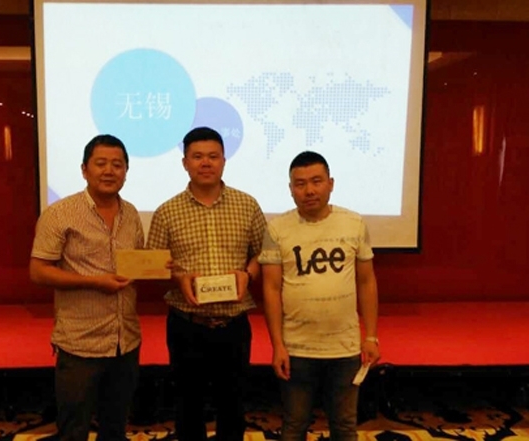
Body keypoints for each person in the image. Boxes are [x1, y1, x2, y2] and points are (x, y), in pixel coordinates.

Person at [146, 126, 266, 441]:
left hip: (233, 325)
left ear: (224, 160)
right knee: (188, 408)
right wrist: (178, 278)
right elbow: (155, 267)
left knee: (233, 406)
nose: (206, 163)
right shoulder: (166, 212)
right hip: (187, 326)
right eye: (197, 156)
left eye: (213, 156)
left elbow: (264, 253)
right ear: (185, 162)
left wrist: (248, 274)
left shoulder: (247, 205)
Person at [258, 151, 380, 441]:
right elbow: (271, 289)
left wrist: (371, 336)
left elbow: (366, 282)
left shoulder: (354, 223)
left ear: (331, 183)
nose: (309, 190)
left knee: (345, 427)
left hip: (345, 348)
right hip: (296, 348)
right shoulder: (276, 228)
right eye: (300, 184)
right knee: (294, 426)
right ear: (290, 189)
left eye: (316, 181)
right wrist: (277, 345)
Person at [29, 134, 143, 441]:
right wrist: (93, 282)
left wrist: (156, 267)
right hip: (80, 343)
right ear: (84, 169)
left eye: (117, 165)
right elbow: (38, 271)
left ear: (126, 171)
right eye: (100, 163)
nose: (109, 171)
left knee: (115, 429)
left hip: (125, 340)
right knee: (73, 431)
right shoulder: (60, 213)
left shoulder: (132, 214)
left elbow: (134, 265)